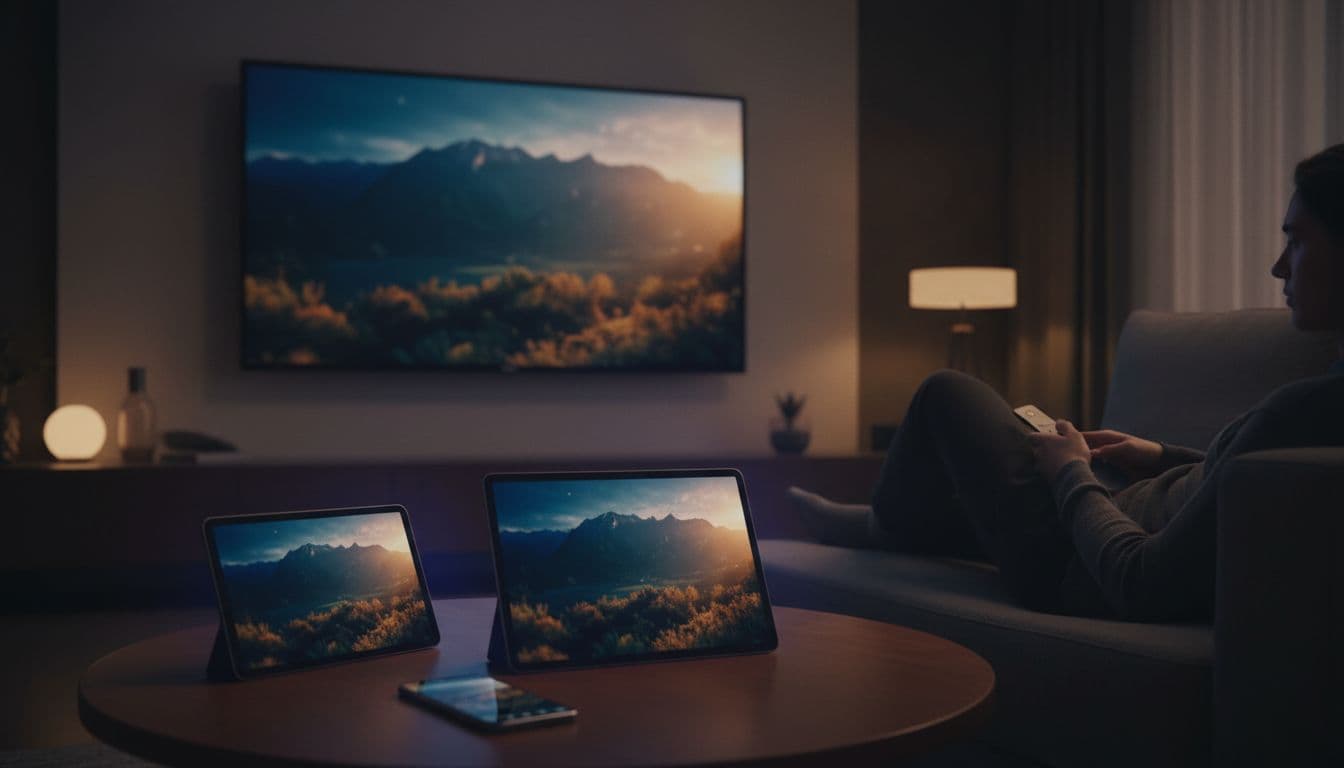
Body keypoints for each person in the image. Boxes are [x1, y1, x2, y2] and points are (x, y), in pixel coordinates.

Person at [800, 144, 1344, 621]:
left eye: (1295, 241)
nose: (1278, 267)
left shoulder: (1302, 410)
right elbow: (1243, 486)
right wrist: (1158, 456)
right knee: (990, 465)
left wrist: (1071, 474)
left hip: (1073, 563)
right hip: (1114, 510)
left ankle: (878, 528)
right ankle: (884, 524)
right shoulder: (1318, 404)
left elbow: (1140, 580)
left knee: (948, 392)